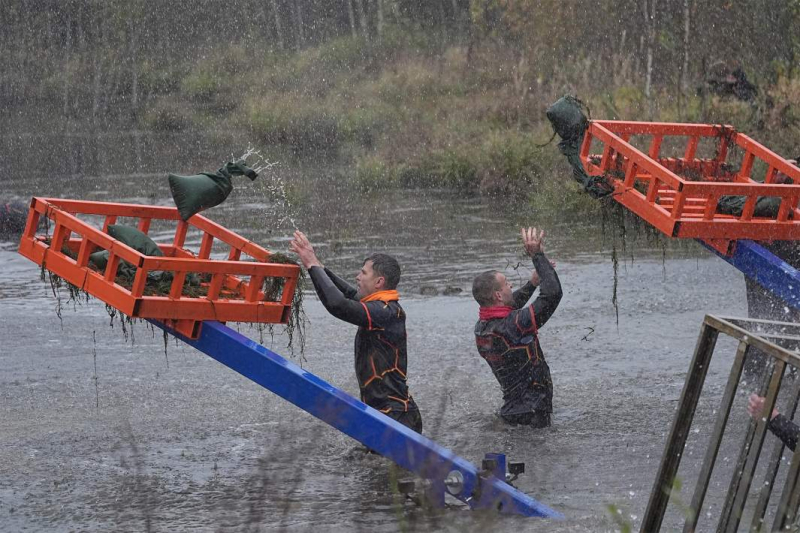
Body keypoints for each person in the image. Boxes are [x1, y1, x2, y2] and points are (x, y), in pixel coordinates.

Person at [289, 230, 423, 433]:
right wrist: (317, 263)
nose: (357, 276)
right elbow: (348, 294)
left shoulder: (386, 312)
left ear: (379, 282)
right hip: (380, 414)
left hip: (396, 417)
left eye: (363, 273)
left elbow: (338, 305)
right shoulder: (378, 305)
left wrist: (312, 265)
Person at [472, 227, 562, 427]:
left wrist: (532, 283)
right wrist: (538, 256)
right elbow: (552, 295)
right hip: (533, 414)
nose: (510, 285)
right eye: (506, 284)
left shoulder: (482, 327)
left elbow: (509, 305)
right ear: (497, 295)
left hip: (513, 410)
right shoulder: (514, 325)